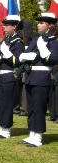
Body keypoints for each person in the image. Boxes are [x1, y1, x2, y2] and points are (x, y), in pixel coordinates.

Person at [18, 13, 58, 147]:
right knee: (31, 107)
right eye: (38, 22)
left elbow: (52, 59)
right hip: (30, 76)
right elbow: (28, 53)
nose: (38, 24)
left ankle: (38, 136)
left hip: (42, 77)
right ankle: (32, 134)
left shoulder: (52, 41)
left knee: (39, 108)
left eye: (41, 23)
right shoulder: (36, 39)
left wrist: (42, 47)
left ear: (50, 25)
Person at [0, 15, 25, 138]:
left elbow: (17, 61)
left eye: (7, 24)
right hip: (0, 76)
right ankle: (1, 127)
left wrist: (6, 53)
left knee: (7, 103)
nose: (3, 26)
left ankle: (6, 129)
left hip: (9, 76)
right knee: (0, 103)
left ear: (14, 26)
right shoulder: (6, 39)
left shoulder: (18, 42)